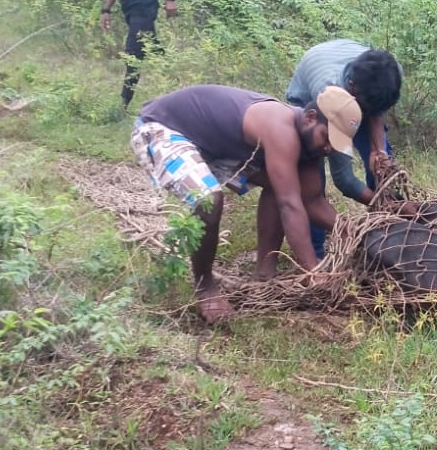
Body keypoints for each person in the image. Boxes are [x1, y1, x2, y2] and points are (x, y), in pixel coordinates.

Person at [130, 83, 362, 322]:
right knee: (208, 200)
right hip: (161, 128)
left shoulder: (310, 146)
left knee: (279, 181)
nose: (327, 148)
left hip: (212, 147)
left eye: (334, 145)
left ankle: (264, 276)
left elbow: (312, 202)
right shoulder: (280, 126)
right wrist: (313, 271)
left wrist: (361, 233)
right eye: (327, 138)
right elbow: (290, 204)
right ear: (311, 118)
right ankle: (205, 289)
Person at [285, 39, 403, 258]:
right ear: (352, 89)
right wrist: (387, 204)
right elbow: (344, 180)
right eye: (364, 108)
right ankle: (316, 253)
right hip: (309, 99)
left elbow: (376, 110)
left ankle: (389, 234)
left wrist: (380, 151)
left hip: (352, 83)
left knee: (382, 167)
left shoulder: (390, 75)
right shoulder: (327, 93)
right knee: (311, 181)